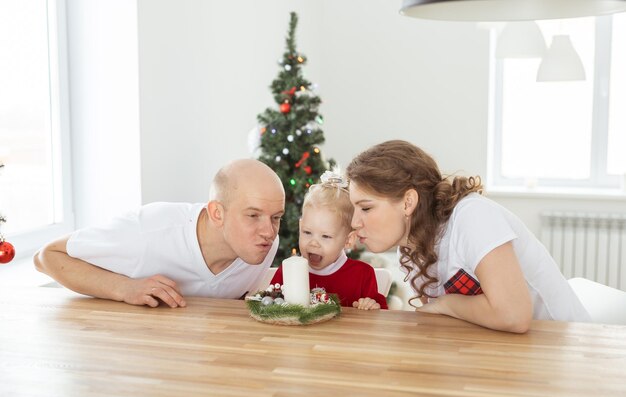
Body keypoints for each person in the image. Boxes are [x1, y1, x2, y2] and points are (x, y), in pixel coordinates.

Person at [346, 140, 590, 332]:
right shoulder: (410, 248)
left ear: (408, 202)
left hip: (564, 350)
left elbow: (514, 316)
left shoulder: (473, 216)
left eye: (366, 208)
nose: (354, 222)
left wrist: (445, 303)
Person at [34, 159, 285, 308]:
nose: (269, 232)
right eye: (253, 215)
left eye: (276, 218)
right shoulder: (147, 232)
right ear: (217, 213)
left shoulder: (263, 245)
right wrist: (125, 288)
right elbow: (46, 256)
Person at [270, 171, 388, 310]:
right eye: (307, 232)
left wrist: (371, 306)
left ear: (348, 240)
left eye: (325, 236)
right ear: (300, 227)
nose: (313, 242)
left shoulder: (362, 275)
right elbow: (270, 305)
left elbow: (380, 318)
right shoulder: (288, 270)